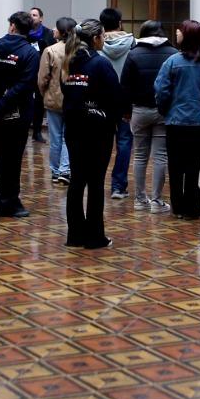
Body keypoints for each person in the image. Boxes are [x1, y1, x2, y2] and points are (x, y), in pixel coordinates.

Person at [62, 19, 124, 250]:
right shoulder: (100, 64)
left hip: (74, 128)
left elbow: (65, 93)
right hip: (98, 131)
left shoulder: (69, 61)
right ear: (96, 38)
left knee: (77, 181)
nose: (104, 40)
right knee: (96, 183)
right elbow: (115, 95)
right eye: (103, 36)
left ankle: (75, 235)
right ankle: (95, 236)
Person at [0, 11, 41, 218]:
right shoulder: (30, 54)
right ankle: (8, 200)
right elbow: (24, 86)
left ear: (12, 26)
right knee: (13, 158)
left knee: (2, 157)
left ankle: (5, 199)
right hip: (17, 114)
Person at [154, 19, 200, 220]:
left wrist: (165, 110)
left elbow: (161, 90)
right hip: (199, 122)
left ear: (187, 36)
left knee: (176, 166)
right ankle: (193, 207)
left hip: (175, 122)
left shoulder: (172, 62)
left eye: (179, 31)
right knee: (193, 166)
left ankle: (177, 207)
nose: (176, 33)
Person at [122, 21, 174, 212]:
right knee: (160, 156)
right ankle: (157, 201)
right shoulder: (172, 53)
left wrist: (126, 111)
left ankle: (139, 199)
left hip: (139, 110)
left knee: (140, 155)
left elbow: (125, 86)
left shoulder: (134, 54)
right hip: (163, 111)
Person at [99, 8, 136, 199]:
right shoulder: (132, 44)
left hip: (102, 101)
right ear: (120, 22)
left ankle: (96, 182)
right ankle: (118, 186)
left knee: (102, 143)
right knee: (124, 143)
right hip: (124, 102)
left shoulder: (97, 44)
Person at [36, 17, 77, 185]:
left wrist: (44, 93)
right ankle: (65, 169)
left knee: (55, 137)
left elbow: (42, 79)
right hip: (73, 99)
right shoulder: (77, 50)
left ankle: (54, 171)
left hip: (53, 99)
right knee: (70, 136)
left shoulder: (50, 51)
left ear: (60, 32)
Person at [27, 7, 51, 144]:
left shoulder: (47, 33)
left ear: (41, 18)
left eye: (35, 15)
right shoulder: (24, 32)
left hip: (41, 72)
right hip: (27, 72)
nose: (32, 17)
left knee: (39, 103)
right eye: (30, 15)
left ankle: (37, 132)